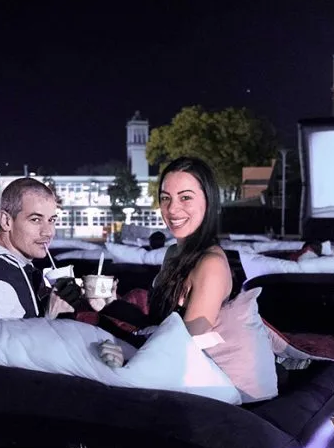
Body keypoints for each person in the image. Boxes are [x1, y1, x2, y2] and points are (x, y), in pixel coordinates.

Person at [97, 156, 233, 365]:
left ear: (209, 200)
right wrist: (111, 305)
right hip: (155, 358)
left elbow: (188, 347)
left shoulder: (210, 264)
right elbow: (156, 323)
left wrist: (129, 355)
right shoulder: (172, 253)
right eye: (165, 198)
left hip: (185, 374)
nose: (172, 209)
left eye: (185, 197)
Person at [0, 177, 80, 322]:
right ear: (6, 221)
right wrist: (50, 316)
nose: (48, 232)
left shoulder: (12, 265)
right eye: (35, 219)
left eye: (51, 220)